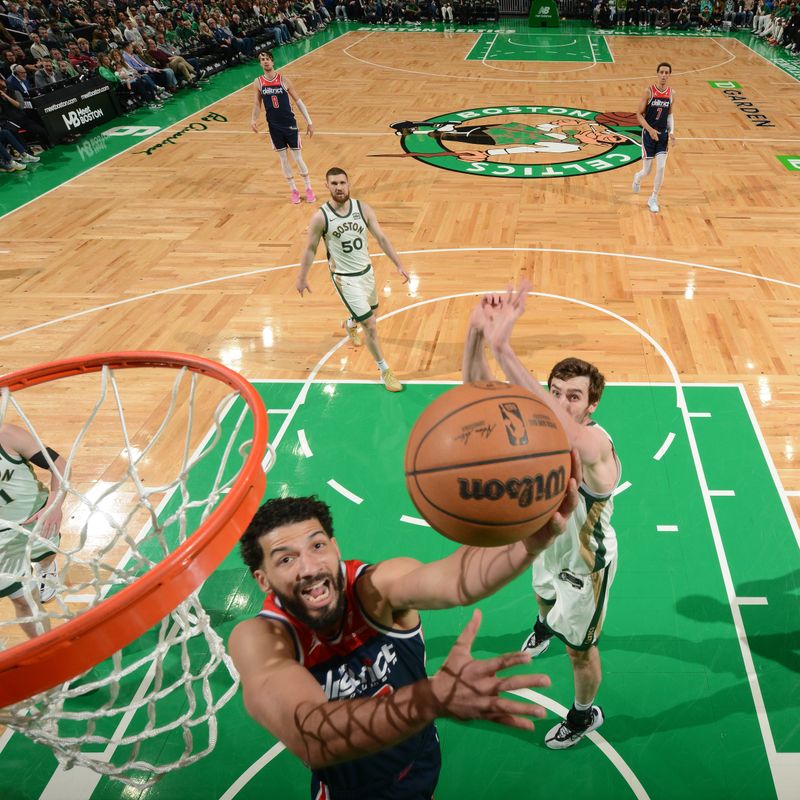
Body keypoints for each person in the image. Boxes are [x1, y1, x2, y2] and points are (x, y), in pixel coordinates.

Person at [229, 474, 580, 799]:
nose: (309, 568)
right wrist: (429, 699)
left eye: (317, 546)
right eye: (286, 560)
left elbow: (456, 577)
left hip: (421, 761)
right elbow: (313, 737)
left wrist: (526, 541)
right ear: (263, 580)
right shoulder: (262, 639)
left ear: (335, 547)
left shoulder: (375, 589)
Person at [462, 280, 620, 750]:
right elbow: (476, 389)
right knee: (543, 600)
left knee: (580, 650)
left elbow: (555, 421)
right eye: (555, 391)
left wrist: (503, 347)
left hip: (584, 565)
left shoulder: (595, 447)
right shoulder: (542, 427)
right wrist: (475, 332)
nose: (561, 401)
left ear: (592, 405)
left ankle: (583, 713)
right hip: (546, 549)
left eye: (573, 396)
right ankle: (543, 626)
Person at [296, 167, 408, 393]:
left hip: (366, 272)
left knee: (372, 314)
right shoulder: (321, 217)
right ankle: (384, 370)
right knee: (371, 325)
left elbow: (382, 238)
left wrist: (399, 264)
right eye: (334, 184)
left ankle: (349, 324)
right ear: (327, 186)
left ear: (349, 184)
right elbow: (310, 248)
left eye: (342, 183)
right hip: (344, 278)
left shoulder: (362, 208)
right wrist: (302, 276)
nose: (339, 187)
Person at [0, 423, 67, 637]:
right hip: (3, 540)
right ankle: (47, 655)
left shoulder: (8, 434)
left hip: (37, 517)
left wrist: (55, 505)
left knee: (44, 555)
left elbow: (59, 464)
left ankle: (46, 567)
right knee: (23, 600)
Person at [250, 50, 316, 204]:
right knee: (283, 159)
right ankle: (293, 190)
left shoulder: (284, 80)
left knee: (298, 158)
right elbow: (256, 104)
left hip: (290, 124)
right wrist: (253, 119)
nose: (265, 61)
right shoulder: (258, 82)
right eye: (262, 59)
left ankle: (309, 188)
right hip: (274, 127)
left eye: (267, 59)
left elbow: (298, 101)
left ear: (272, 61)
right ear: (260, 63)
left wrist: (309, 121)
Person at [632, 61, 675, 214]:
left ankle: (653, 198)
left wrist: (671, 132)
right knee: (647, 171)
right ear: (657, 74)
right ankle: (637, 177)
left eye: (666, 73)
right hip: (649, 134)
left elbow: (670, 115)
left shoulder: (671, 94)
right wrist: (650, 130)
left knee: (662, 167)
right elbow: (638, 114)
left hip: (662, 135)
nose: (664, 75)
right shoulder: (649, 91)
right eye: (661, 72)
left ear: (669, 75)